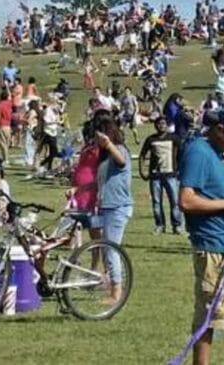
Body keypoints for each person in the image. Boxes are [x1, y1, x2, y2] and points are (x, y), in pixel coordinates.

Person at [178, 107, 224, 365]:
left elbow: (209, 195)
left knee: (215, 316)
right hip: (211, 246)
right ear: (219, 130)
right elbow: (186, 200)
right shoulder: (198, 152)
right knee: (207, 317)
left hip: (223, 243)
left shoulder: (215, 154)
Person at [91, 111, 133, 304]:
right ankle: (110, 283)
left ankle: (116, 292)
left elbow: (122, 161)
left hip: (118, 207)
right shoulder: (105, 158)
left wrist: (108, 143)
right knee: (107, 247)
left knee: (111, 249)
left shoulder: (119, 149)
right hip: (106, 207)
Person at [140, 116, 184, 235]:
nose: (161, 126)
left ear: (167, 125)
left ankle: (177, 225)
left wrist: (180, 169)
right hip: (155, 176)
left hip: (171, 175)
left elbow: (182, 154)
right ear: (155, 125)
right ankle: (160, 225)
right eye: (159, 124)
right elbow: (142, 155)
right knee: (156, 202)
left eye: (164, 123)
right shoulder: (151, 139)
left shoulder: (174, 138)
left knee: (174, 201)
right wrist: (142, 171)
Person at [0, 88, 13, 166]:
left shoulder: (0, 104)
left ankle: (6, 159)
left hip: (2, 124)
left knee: (3, 144)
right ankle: (6, 157)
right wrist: (8, 87)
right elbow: (10, 97)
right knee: (6, 143)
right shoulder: (9, 103)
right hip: (8, 125)